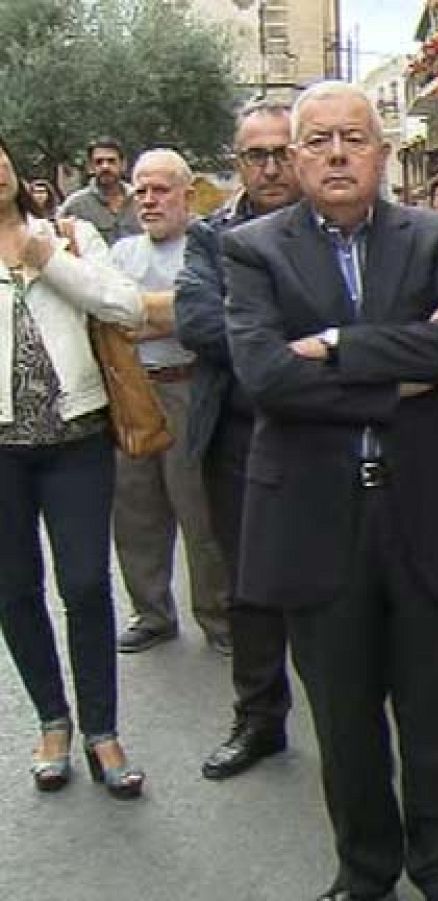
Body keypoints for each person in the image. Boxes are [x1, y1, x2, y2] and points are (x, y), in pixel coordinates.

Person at [222, 81, 438, 901]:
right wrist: (396, 376)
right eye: (318, 140)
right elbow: (268, 374)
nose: (338, 153)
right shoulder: (252, 249)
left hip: (425, 512)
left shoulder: (432, 237)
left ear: (384, 153)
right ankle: (366, 872)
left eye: (354, 137)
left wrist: (340, 345)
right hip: (315, 522)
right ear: (294, 155)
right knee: (345, 725)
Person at [0, 133, 148, 798]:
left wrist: (48, 260)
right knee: (13, 589)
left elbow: (129, 307)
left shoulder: (71, 232)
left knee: (86, 584)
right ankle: (52, 722)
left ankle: (102, 731)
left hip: (77, 442)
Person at [175, 100, 303, 781]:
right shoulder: (210, 236)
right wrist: (290, 344)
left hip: (318, 433)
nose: (273, 166)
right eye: (258, 154)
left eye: (284, 151)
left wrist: (255, 336)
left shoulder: (334, 228)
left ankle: (353, 715)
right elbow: (197, 320)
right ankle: (259, 717)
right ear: (239, 162)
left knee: (327, 578)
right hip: (236, 434)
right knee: (249, 585)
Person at [109, 149, 232, 657]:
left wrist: (145, 314)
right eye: (141, 190)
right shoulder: (121, 255)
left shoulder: (206, 249)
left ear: (187, 193)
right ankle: (152, 613)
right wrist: (163, 313)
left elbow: (200, 316)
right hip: (134, 389)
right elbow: (109, 319)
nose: (149, 200)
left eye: (160, 189)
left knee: (198, 508)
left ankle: (219, 617)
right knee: (135, 509)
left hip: (190, 386)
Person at [60, 139, 141, 245]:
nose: (105, 166)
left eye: (111, 161)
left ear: (123, 165)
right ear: (90, 167)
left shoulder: (140, 199)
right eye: (99, 162)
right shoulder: (75, 205)